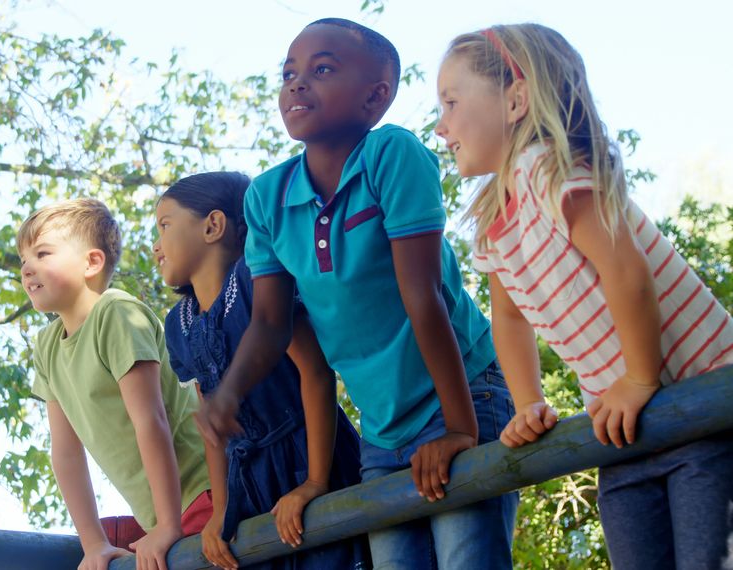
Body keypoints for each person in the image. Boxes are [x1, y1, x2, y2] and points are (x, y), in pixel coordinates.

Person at [197, 18, 517, 569]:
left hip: (461, 393)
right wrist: (229, 396)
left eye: (322, 70)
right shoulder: (268, 197)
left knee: (466, 556)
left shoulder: (392, 156)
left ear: (376, 97)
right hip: (382, 429)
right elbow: (271, 325)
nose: (297, 84)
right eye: (289, 73)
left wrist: (461, 428)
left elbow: (423, 295)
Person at [434, 23, 733, 569]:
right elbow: (510, 318)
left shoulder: (549, 167)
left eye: (451, 102)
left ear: (516, 99)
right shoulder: (493, 220)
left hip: (703, 400)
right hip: (627, 432)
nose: (441, 124)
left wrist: (640, 376)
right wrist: (528, 403)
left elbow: (625, 268)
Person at [154, 171, 368, 569]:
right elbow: (213, 429)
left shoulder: (256, 280)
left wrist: (315, 483)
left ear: (213, 225)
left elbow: (316, 374)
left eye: (164, 225)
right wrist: (221, 508)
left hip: (309, 456)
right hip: (248, 486)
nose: (155, 245)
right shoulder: (179, 323)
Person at [19, 198, 211, 570]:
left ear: (92, 262)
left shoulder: (116, 313)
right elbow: (66, 453)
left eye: (42, 254)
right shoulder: (46, 346)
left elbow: (150, 420)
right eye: (23, 259)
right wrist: (94, 544)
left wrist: (169, 525)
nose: (27, 268)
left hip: (200, 493)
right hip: (161, 513)